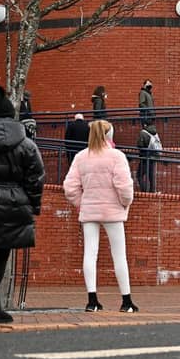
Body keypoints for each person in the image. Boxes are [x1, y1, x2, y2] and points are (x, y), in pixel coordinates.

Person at [63, 120, 138, 313]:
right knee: (119, 256)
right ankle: (126, 301)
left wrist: (82, 203)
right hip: (113, 212)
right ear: (109, 134)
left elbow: (70, 188)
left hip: (89, 211)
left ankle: (92, 300)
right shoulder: (116, 156)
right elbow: (125, 187)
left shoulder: (81, 157)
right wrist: (124, 204)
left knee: (90, 253)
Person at [0, 86, 44, 324]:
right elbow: (36, 175)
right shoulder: (24, 144)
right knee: (0, 255)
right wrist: (33, 204)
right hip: (12, 203)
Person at [136, 123, 160, 193]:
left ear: (145, 125)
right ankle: (152, 191)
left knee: (139, 175)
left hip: (145, 157)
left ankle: (144, 190)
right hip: (154, 156)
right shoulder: (154, 132)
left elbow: (140, 145)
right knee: (151, 175)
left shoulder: (143, 133)